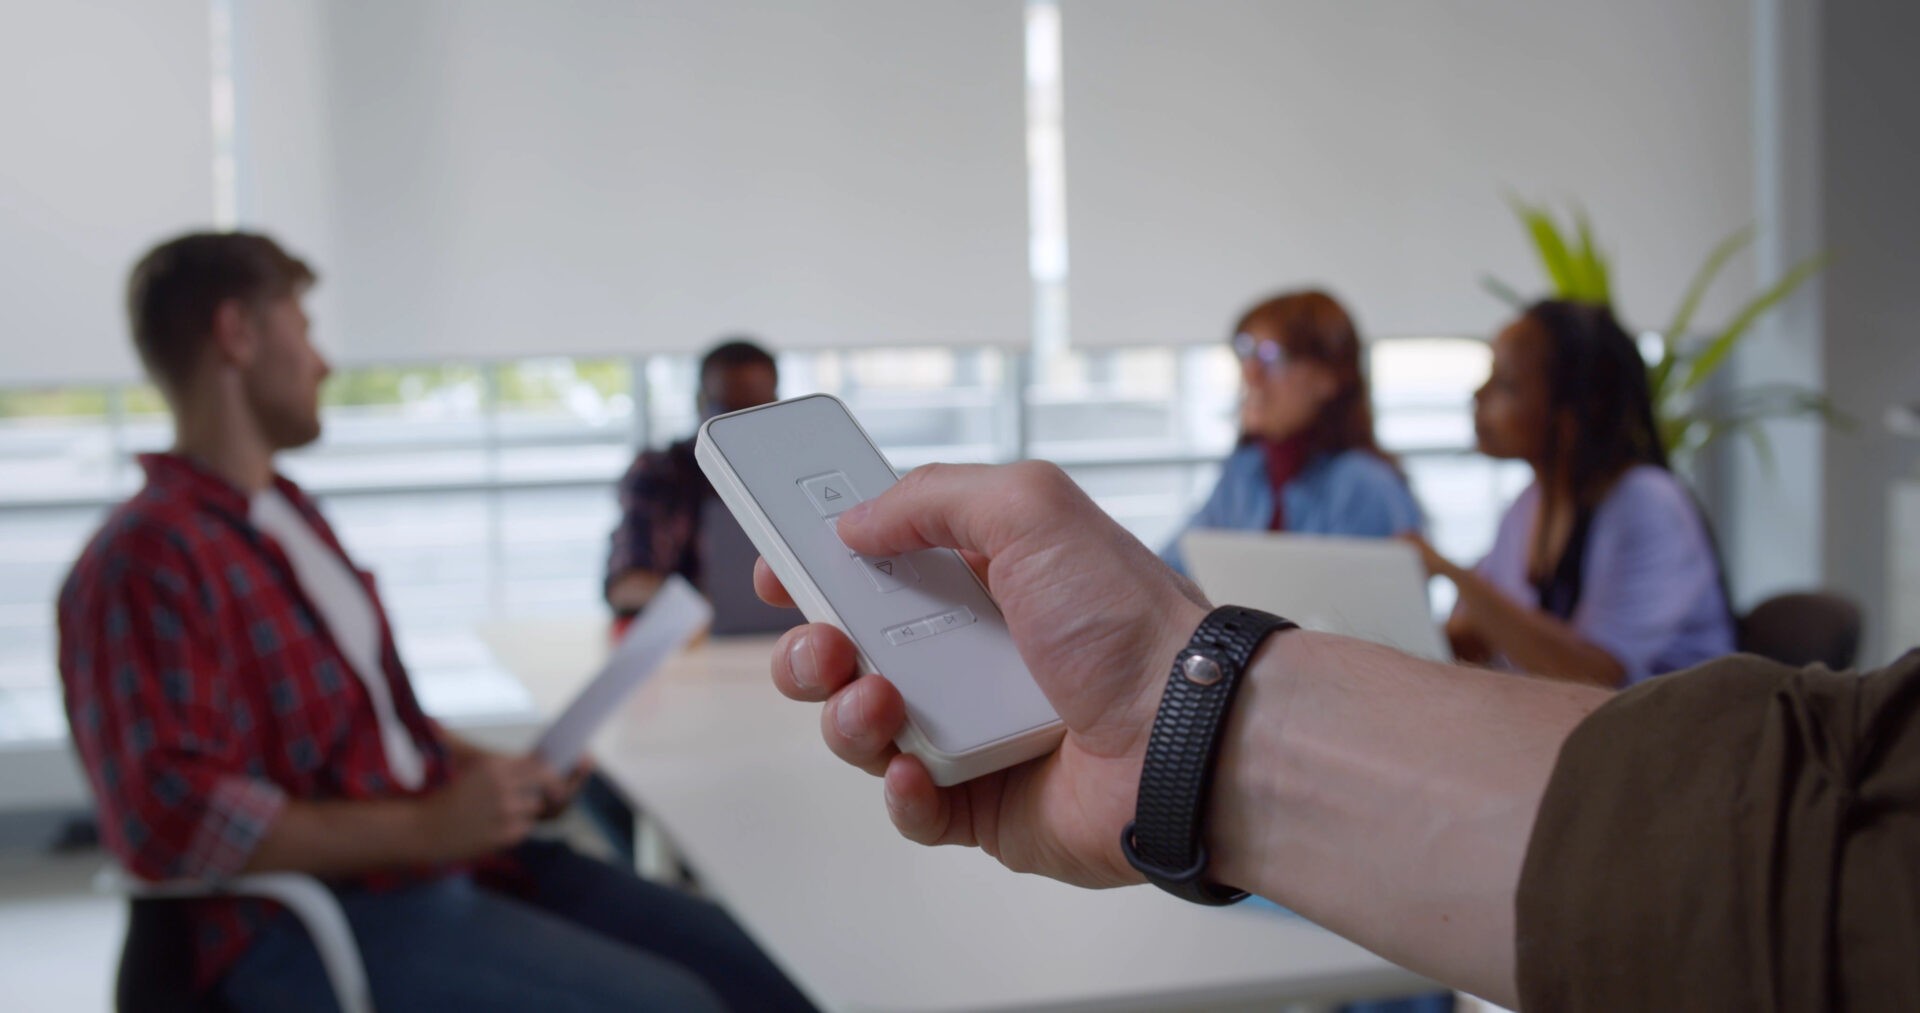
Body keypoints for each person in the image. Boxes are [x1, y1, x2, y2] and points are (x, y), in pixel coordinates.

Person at [754, 460, 1917, 1010]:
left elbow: (1842, 850)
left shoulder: (1380, 486)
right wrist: (1179, 716)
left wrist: (1189, 718)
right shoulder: (1258, 473)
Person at [57, 232, 814, 1011]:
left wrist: (495, 776)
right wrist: (427, 827)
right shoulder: (144, 557)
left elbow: (374, 722)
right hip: (315, 918)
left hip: (451, 866)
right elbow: (175, 817)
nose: (322, 361)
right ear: (237, 334)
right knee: (677, 1003)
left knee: (764, 969)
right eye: (304, 327)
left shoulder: (289, 518)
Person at [1406, 300, 1735, 688]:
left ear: (1574, 413)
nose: (1479, 396)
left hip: (1675, 740)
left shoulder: (1647, 505)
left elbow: (1596, 680)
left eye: (1506, 385)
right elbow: (1472, 641)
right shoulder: (1529, 506)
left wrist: (1452, 574)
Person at [1162, 290, 1421, 575]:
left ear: (1329, 378)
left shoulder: (1364, 485)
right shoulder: (1245, 473)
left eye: (1271, 356)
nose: (1251, 375)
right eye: (1246, 352)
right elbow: (1171, 569)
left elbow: (1370, 611)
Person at [604, 339, 780, 618]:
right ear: (700, 403)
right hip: (696, 646)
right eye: (726, 411)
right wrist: (706, 609)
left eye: (754, 411)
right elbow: (626, 584)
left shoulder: (790, 473)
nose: (737, 425)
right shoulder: (661, 471)